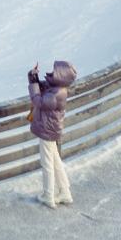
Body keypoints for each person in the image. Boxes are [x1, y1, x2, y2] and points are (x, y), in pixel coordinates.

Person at [29, 61, 78, 208]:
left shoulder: (55, 94)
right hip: (51, 130)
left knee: (47, 163)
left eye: (54, 72)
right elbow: (44, 88)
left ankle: (48, 195)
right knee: (56, 162)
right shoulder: (58, 89)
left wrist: (33, 85)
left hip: (47, 131)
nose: (51, 73)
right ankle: (65, 192)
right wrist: (33, 78)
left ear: (60, 77)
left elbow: (37, 100)